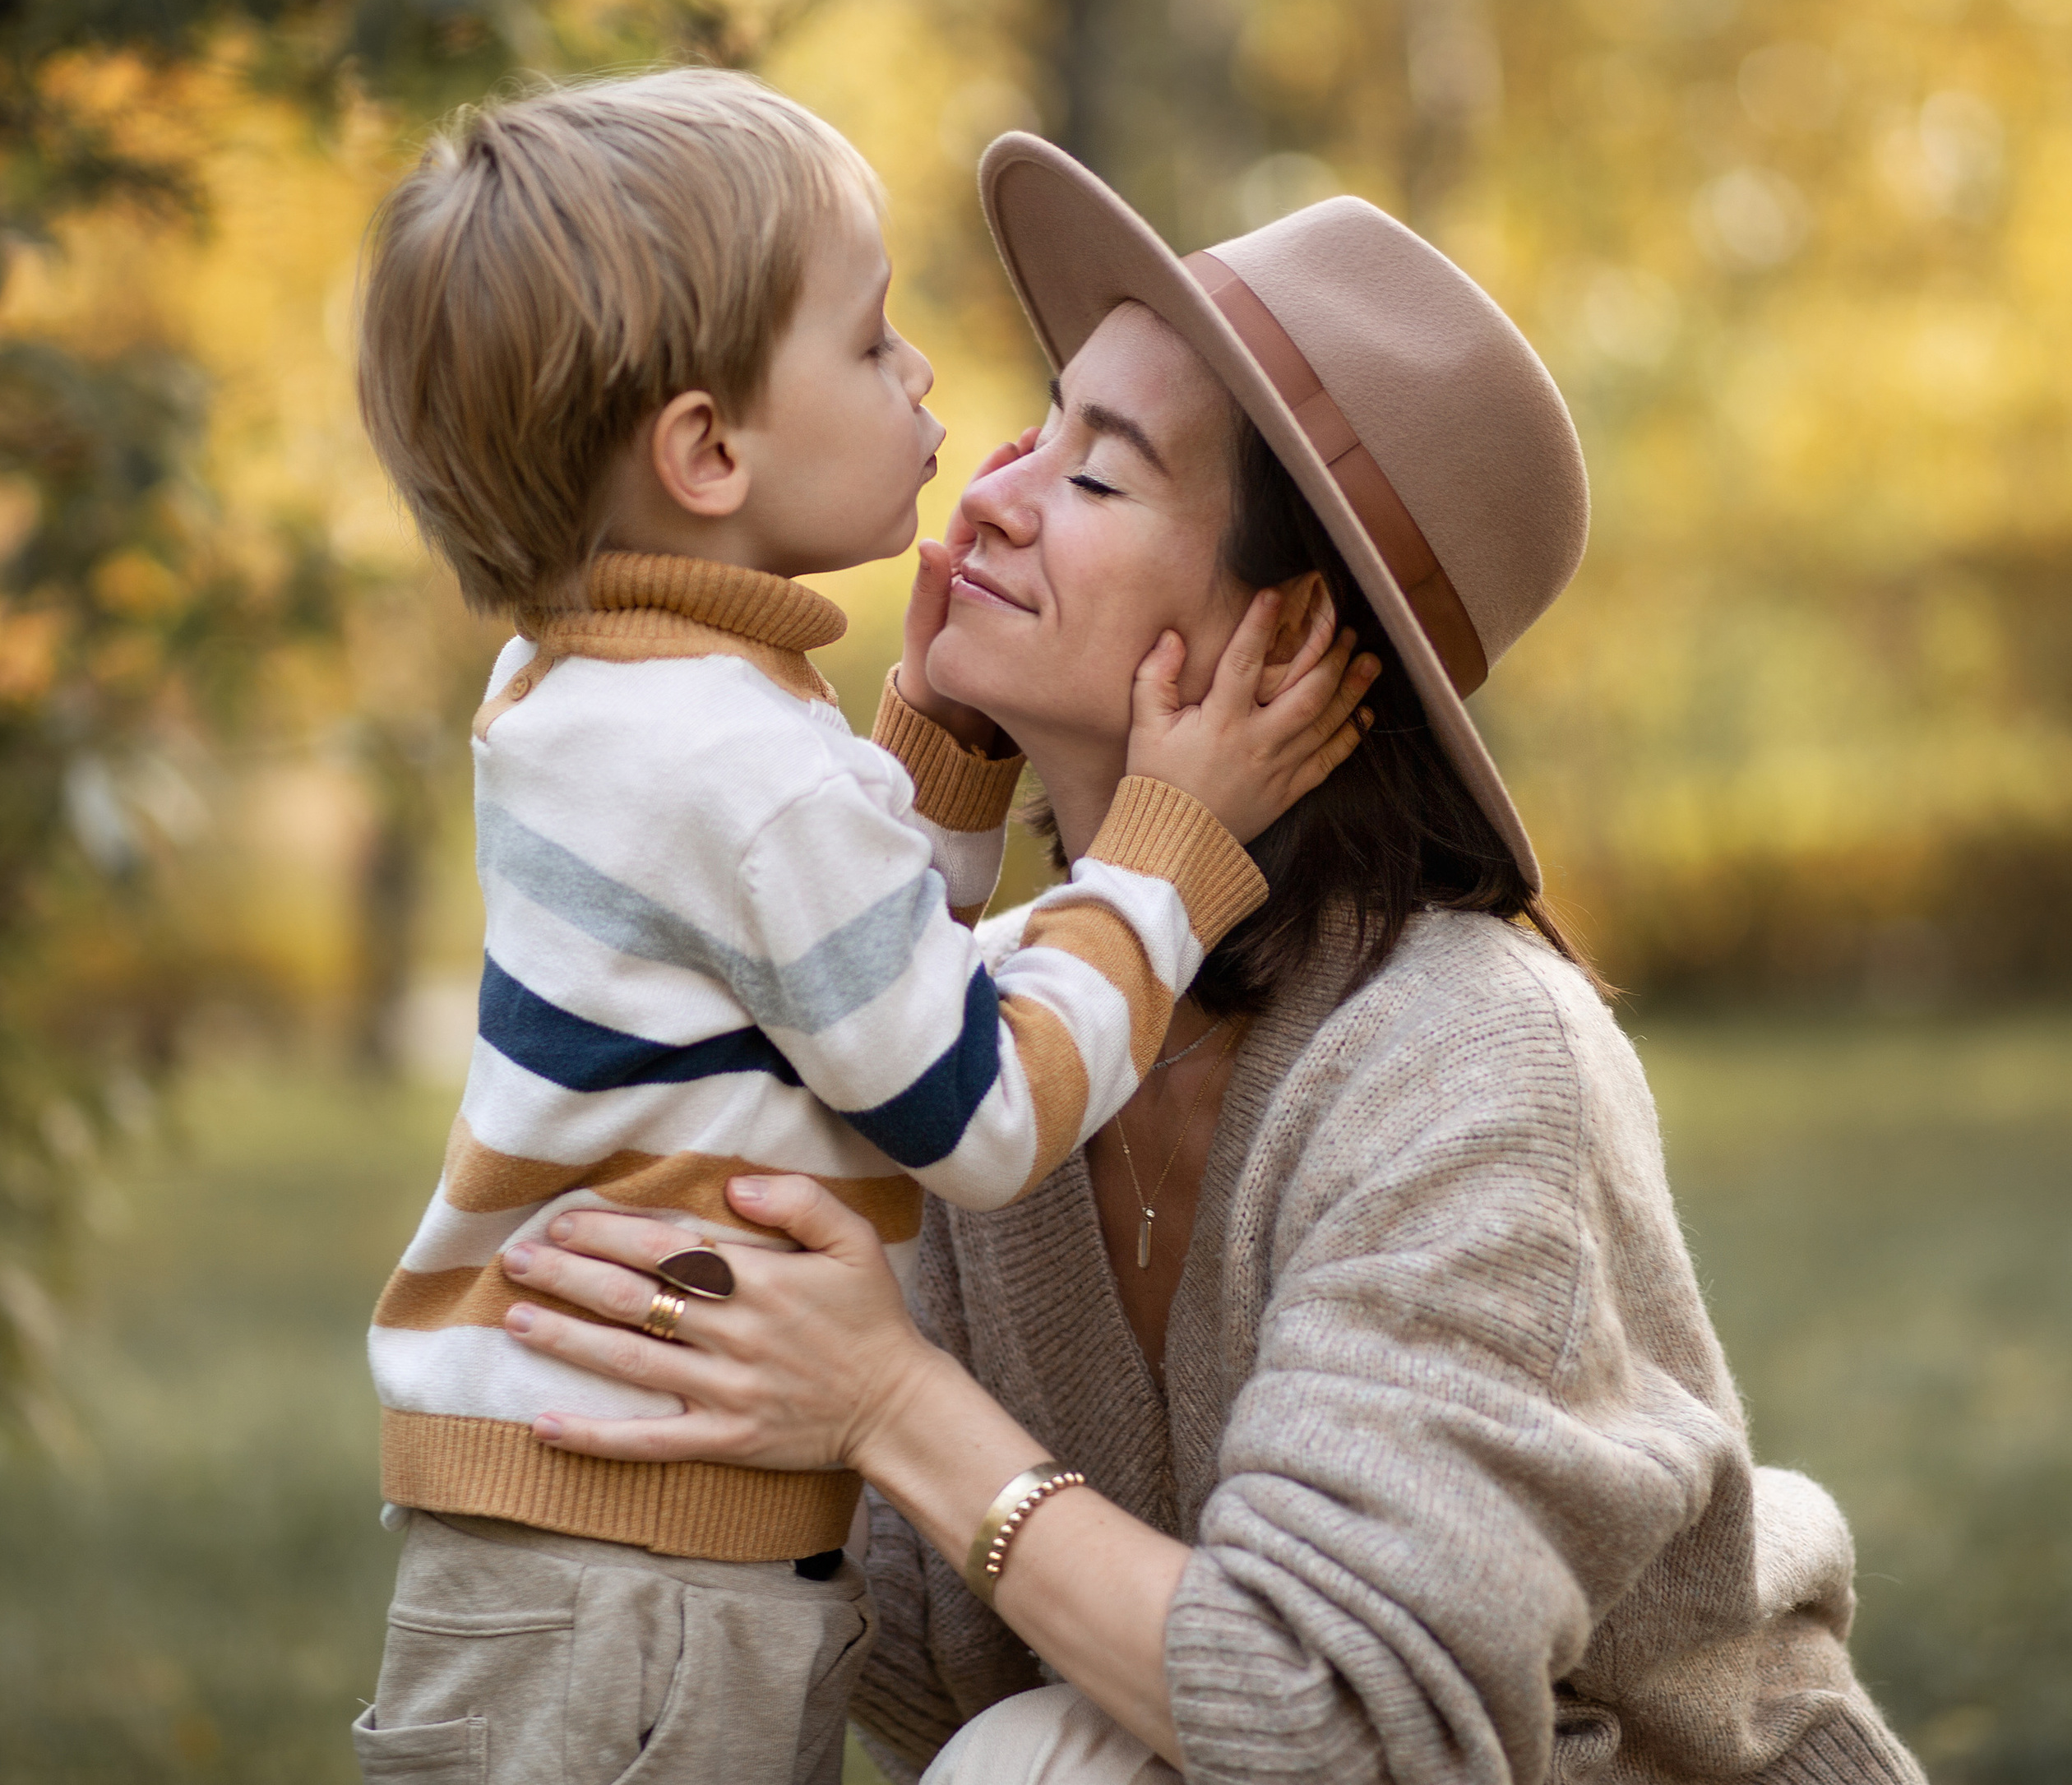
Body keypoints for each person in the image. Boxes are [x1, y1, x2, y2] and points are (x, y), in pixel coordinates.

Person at [496, 136, 1928, 1784]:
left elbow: (1324, 1719)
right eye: (1037, 427)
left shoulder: (1463, 1057)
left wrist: (885, 1400)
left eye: (1095, 476)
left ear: (1293, 635)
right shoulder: (1000, 1023)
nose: (987, 491)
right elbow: (877, 1628)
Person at [347, 76, 1375, 1785]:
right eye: (873, 340)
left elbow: (823, 976)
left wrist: (940, 752)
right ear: (707, 452)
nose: (927, 390)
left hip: (568, 1542)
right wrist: (1167, 852)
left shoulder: (602, 688)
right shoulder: (742, 766)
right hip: (643, 1571)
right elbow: (967, 1105)